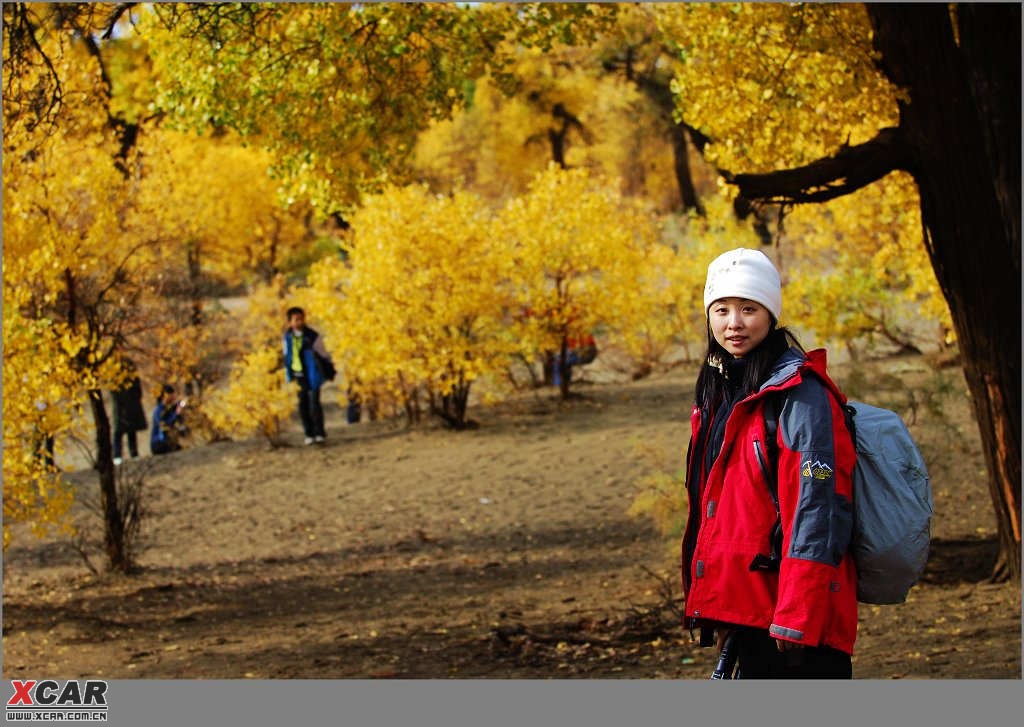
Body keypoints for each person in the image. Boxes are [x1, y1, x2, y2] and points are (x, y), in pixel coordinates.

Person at [681, 247, 857, 679]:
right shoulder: (722, 390)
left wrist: (798, 613)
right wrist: (718, 604)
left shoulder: (800, 395)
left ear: (771, 314)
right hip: (748, 608)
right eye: (721, 310)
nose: (733, 323)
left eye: (748, 309)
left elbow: (819, 508)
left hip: (792, 617)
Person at [282, 306, 335, 445]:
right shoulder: (287, 337)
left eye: (301, 319)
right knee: (302, 405)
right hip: (298, 376)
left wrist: (328, 367)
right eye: (296, 319)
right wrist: (288, 376)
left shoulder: (312, 336)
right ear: (289, 322)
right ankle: (308, 433)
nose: (300, 322)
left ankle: (319, 433)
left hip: (312, 375)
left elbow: (323, 353)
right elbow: (286, 356)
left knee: (314, 404)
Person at [111, 362, 147, 465]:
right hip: (121, 406)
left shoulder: (130, 371)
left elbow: (137, 388)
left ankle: (134, 453)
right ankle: (117, 455)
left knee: (131, 430)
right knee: (118, 431)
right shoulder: (113, 371)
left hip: (131, 404)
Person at [150, 384, 187, 455]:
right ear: (165, 395)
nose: (173, 397)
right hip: (159, 444)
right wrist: (176, 414)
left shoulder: (168, 408)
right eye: (171, 395)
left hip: (168, 441)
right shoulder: (159, 410)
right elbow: (164, 425)